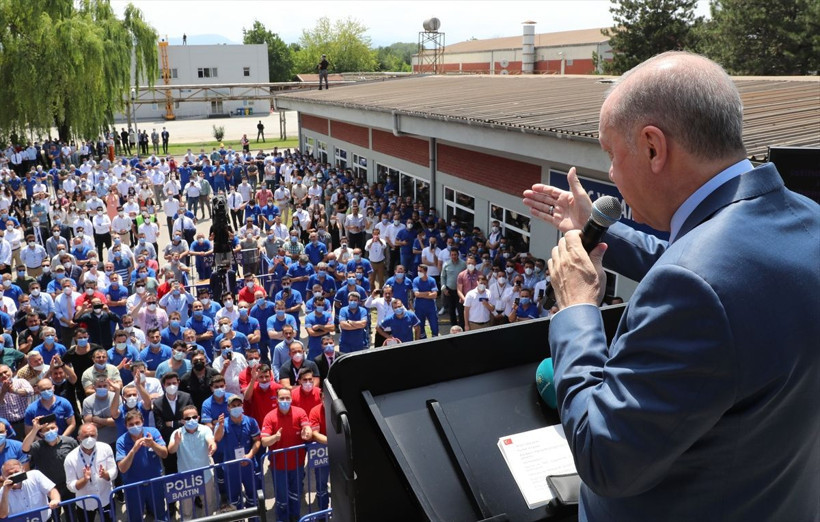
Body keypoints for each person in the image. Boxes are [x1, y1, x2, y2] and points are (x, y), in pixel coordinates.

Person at [522, 51, 820, 521]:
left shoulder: (695, 287)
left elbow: (604, 458)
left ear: (653, 147)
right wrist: (598, 229)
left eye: (611, 155)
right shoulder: (805, 220)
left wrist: (577, 309)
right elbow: (715, 271)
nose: (613, 176)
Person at [261, 387, 312, 522]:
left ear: (291, 399)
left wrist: (307, 432)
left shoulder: (300, 412)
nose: (285, 401)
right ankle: (282, 518)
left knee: (296, 494)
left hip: (297, 464)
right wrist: (275, 438)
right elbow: (264, 441)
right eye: (282, 398)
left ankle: (295, 516)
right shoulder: (270, 417)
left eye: (287, 398)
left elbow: (307, 427)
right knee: (282, 498)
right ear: (277, 400)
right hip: (279, 467)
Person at [116, 410, 168, 521]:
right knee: (135, 518)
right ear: (126, 426)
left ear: (142, 421)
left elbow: (164, 454)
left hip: (155, 483)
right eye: (131, 424)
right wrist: (133, 451)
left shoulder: (152, 432)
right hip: (133, 487)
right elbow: (122, 468)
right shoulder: (121, 441)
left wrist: (153, 444)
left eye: (137, 423)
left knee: (161, 515)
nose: (135, 426)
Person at [167, 404, 217, 518]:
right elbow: (171, 450)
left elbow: (211, 441)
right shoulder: (176, 433)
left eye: (194, 417)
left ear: (198, 418)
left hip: (205, 476)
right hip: (186, 480)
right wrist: (176, 442)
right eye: (188, 418)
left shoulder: (205, 429)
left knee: (208, 506)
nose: (192, 420)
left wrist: (212, 445)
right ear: (182, 421)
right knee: (186, 511)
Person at [64, 423, 117, 522]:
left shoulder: (106, 448)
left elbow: (114, 470)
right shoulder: (70, 458)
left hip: (106, 498)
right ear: (79, 438)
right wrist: (84, 480)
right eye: (85, 436)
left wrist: (106, 475)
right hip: (84, 504)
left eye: (92, 435)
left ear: (97, 436)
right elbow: (70, 486)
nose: (89, 438)